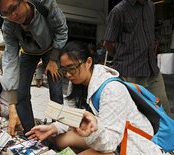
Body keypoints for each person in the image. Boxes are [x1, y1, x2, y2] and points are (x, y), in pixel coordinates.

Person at [26, 41, 165, 155]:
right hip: (100, 134)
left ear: (88, 62)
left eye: (72, 68)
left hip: (130, 142)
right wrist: (53, 128)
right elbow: (71, 116)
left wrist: (91, 133)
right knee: (60, 140)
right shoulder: (75, 83)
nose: (68, 75)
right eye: (64, 70)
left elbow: (110, 141)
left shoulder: (112, 89)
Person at [0, 0, 68, 135]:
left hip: (51, 49)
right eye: (5, 13)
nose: (13, 16)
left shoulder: (46, 4)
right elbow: (10, 60)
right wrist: (12, 106)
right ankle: (31, 133)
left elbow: (61, 31)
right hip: (28, 53)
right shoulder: (8, 25)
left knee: (55, 89)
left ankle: (58, 131)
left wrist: (53, 59)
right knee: (20, 93)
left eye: (14, 8)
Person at [102, 0, 170, 113]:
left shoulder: (150, 6)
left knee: (163, 110)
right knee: (133, 114)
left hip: (151, 70)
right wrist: (123, 58)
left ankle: (165, 130)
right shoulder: (118, 11)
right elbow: (108, 43)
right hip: (129, 73)